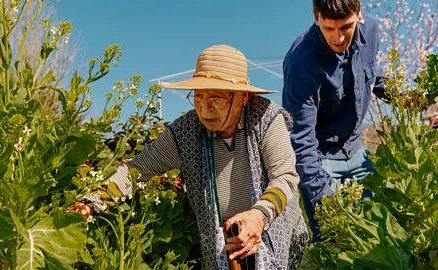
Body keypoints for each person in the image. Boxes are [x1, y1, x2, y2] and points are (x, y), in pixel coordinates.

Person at [70, 45, 309, 269]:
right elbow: (137, 170)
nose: (205, 109)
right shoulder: (186, 131)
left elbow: (285, 177)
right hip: (224, 246)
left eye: (216, 98)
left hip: (277, 238)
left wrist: (259, 216)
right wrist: (89, 203)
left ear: (242, 98)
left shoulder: (266, 119)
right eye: (198, 97)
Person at [282, 0, 388, 241]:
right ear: (316, 17)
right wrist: (323, 199)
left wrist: (403, 96)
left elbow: (374, 74)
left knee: (375, 235)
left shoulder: (371, 30)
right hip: (320, 157)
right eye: (329, 28)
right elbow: (300, 141)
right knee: (334, 241)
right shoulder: (302, 61)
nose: (338, 38)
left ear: (358, 15)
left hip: (355, 148)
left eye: (346, 27)